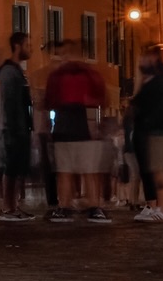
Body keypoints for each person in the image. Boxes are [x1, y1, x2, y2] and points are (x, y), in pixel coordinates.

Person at [43, 42, 112, 222]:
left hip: (64, 124)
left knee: (65, 170)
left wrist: (46, 127)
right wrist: (100, 125)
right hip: (83, 125)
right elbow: (102, 98)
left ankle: (65, 207)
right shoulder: (89, 73)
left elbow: (48, 101)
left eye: (63, 53)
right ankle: (93, 207)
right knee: (88, 171)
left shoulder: (57, 75)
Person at [131, 45, 163, 221]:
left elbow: (139, 100)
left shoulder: (157, 79)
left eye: (144, 57)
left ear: (153, 57)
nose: (141, 61)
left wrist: (140, 82)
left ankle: (162, 210)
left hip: (159, 130)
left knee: (160, 170)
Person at [0, 33, 36, 221]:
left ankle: (12, 207)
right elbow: (11, 103)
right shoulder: (10, 72)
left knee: (16, 168)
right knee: (11, 168)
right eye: (28, 44)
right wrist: (14, 127)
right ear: (18, 46)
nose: (32, 48)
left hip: (18, 126)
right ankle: (7, 208)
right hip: (13, 127)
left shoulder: (15, 70)